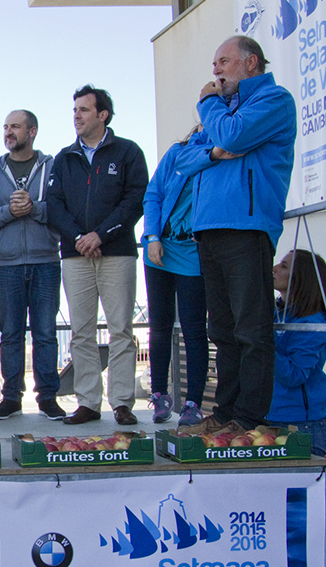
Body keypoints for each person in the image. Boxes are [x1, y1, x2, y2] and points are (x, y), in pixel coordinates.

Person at [180, 36, 298, 436]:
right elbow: (184, 160)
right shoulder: (223, 112)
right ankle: (226, 411)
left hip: (247, 229)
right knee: (222, 330)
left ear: (251, 63)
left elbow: (233, 136)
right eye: (214, 64)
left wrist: (209, 107)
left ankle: (250, 417)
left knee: (251, 328)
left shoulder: (273, 101)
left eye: (223, 62)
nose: (215, 72)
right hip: (209, 230)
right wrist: (211, 153)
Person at [46, 85, 148, 426]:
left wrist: (100, 235)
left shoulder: (128, 152)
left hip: (116, 252)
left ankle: (121, 402)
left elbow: (134, 200)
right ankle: (88, 402)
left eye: (84, 110)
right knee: (81, 331)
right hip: (75, 255)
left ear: (102, 115)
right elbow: (54, 206)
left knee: (120, 329)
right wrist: (78, 237)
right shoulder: (64, 158)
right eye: (74, 110)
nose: (76, 115)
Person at [0, 110, 66, 421]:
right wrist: (8, 212)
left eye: (15, 126)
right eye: (5, 127)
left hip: (45, 261)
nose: (8, 132)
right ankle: (11, 398)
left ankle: (48, 398)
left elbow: (63, 207)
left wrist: (35, 209)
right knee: (10, 333)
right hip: (6, 264)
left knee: (45, 332)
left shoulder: (54, 167)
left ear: (32, 131)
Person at [142, 126, 212, 426]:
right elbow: (153, 194)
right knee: (159, 326)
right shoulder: (177, 152)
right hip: (160, 249)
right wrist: (152, 235)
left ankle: (193, 403)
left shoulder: (225, 153)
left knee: (194, 329)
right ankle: (159, 395)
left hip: (194, 254)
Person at [267, 249, 326, 456]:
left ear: (302, 279)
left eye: (283, 266)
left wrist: (264, 343)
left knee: (301, 489)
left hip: (301, 423)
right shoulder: (275, 312)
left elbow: (294, 375)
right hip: (267, 416)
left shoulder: (312, 321)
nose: (273, 268)